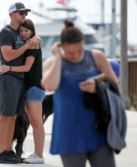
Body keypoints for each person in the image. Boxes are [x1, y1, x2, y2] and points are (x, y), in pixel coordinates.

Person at [41, 19, 119, 167]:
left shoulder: (97, 57)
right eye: (71, 52)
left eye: (80, 51)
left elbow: (116, 87)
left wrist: (97, 87)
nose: (76, 55)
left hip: (98, 127)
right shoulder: (52, 63)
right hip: (69, 131)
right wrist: (58, 57)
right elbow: (49, 85)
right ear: (61, 46)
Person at [0, 2, 41, 164]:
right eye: (21, 13)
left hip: (19, 79)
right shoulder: (6, 32)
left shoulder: (20, 33)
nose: (24, 16)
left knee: (13, 116)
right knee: (5, 115)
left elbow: (32, 39)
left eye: (25, 13)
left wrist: (35, 37)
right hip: (9, 79)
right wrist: (27, 45)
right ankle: (2, 151)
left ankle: (8, 150)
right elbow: (8, 56)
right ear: (11, 15)